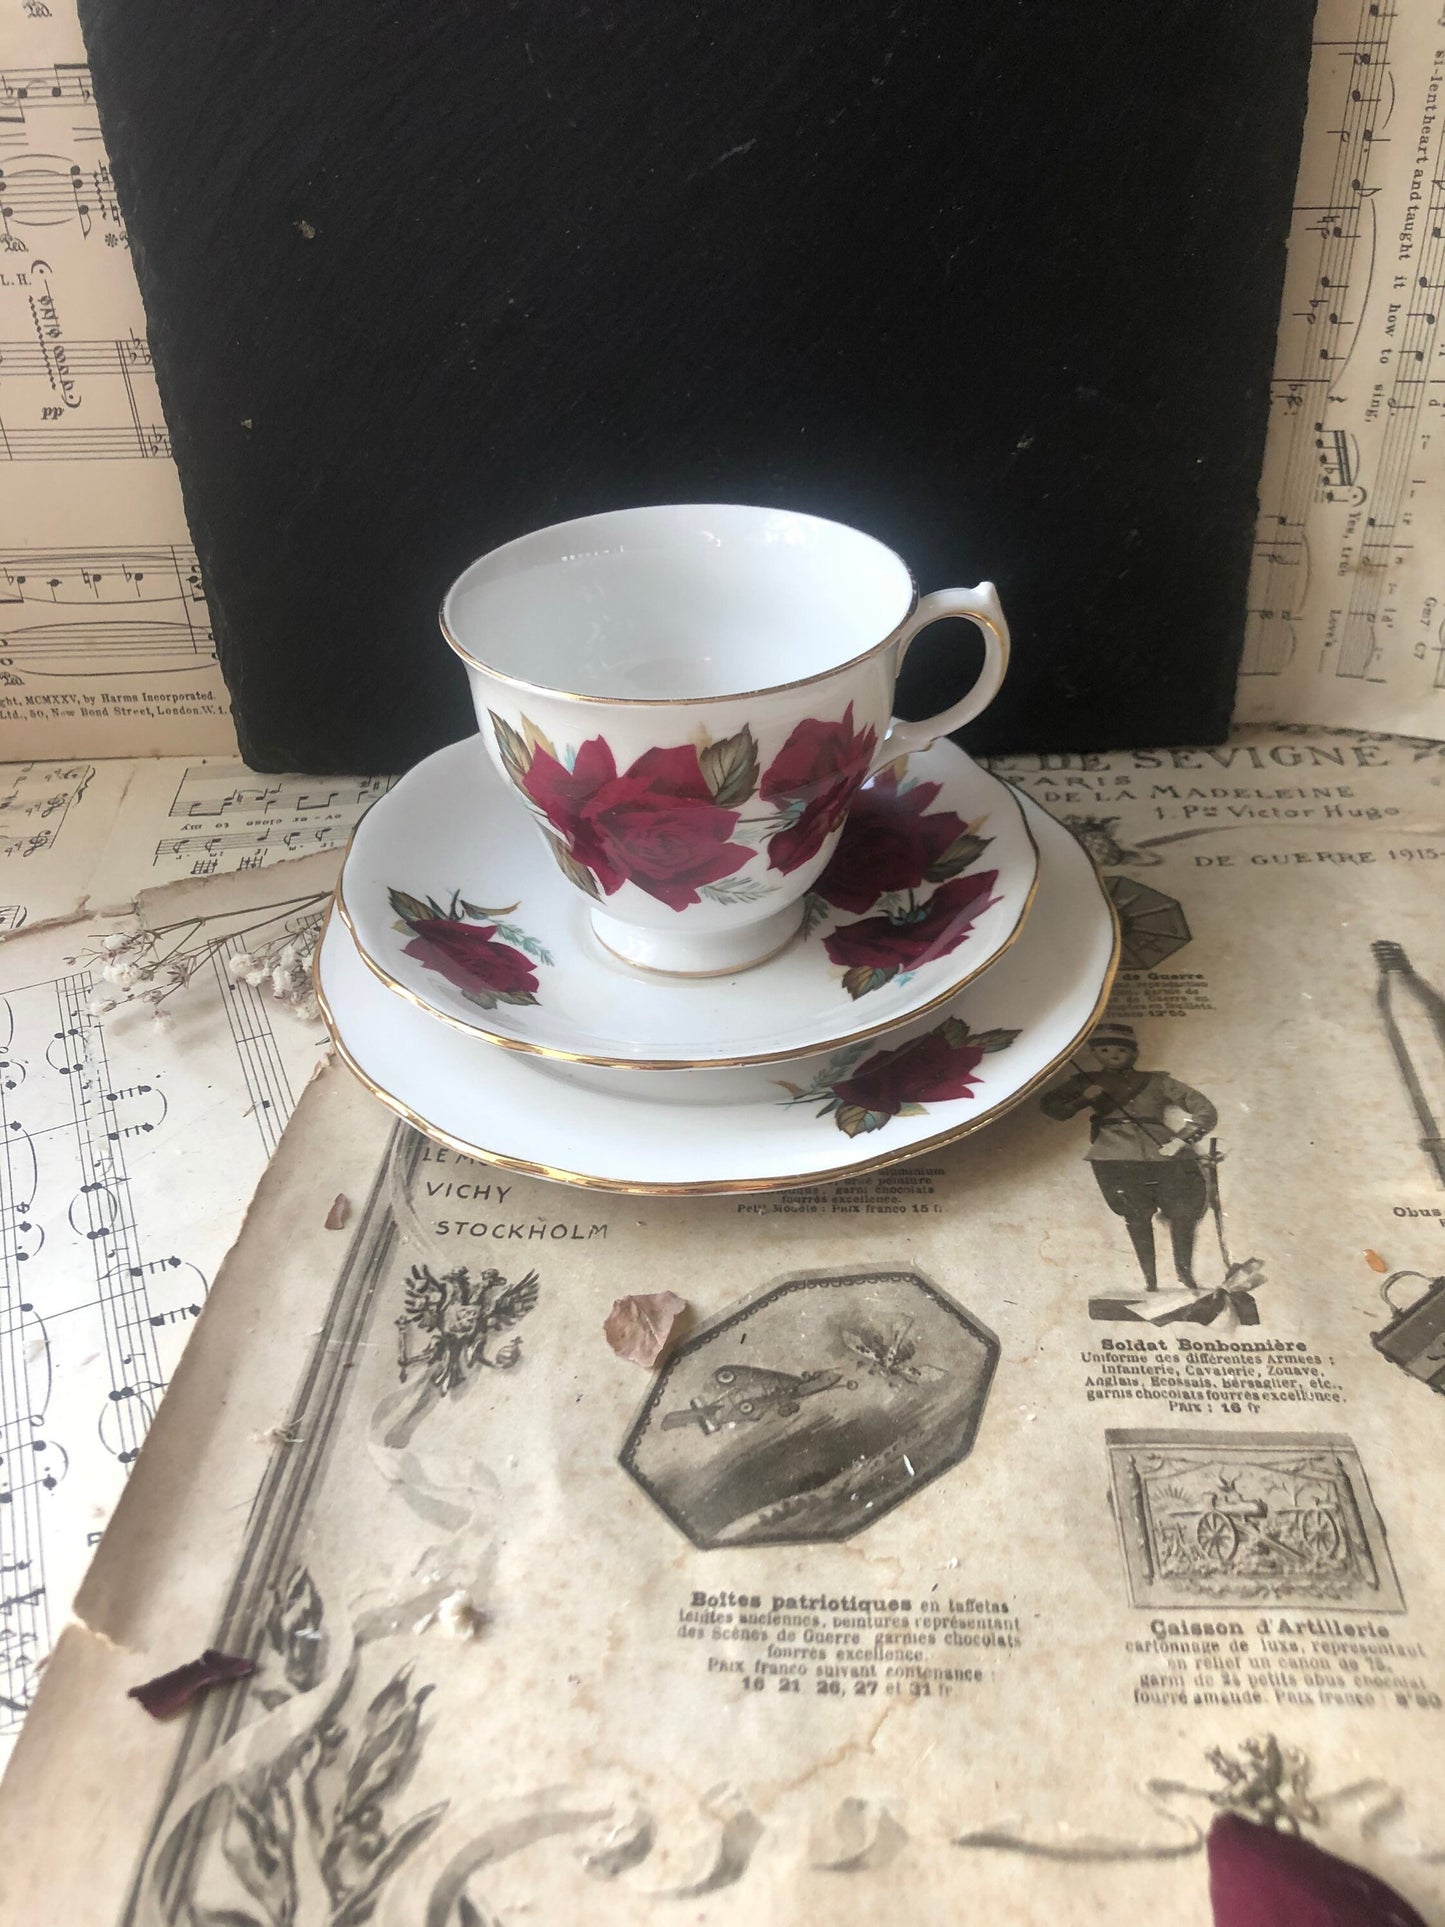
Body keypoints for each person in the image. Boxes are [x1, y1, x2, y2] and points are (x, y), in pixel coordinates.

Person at [1041, 1021, 1218, 1292]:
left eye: (1121, 1050)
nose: (1113, 1055)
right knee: (1136, 1217)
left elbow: (1204, 1109)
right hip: (1115, 1156)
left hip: (1166, 1154)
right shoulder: (1084, 1081)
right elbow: (1052, 1108)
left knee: (1183, 1214)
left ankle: (1186, 1275)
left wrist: (1181, 1140)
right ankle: (1151, 1282)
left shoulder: (1158, 1081)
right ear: (1095, 1053)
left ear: (1134, 1053)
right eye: (1105, 1050)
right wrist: (1083, 1100)